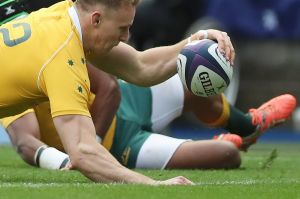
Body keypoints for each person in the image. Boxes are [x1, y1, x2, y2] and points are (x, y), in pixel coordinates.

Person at [0, 0, 235, 184]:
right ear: (97, 19)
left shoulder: (65, 18)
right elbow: (82, 152)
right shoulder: (62, 56)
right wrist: (153, 185)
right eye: (123, 28)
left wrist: (196, 40)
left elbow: (142, 66)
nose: (126, 37)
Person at [2, 63, 296, 171]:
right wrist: (73, 158)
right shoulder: (9, 73)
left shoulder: (47, 46)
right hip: (119, 145)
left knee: (193, 76)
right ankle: (226, 141)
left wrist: (90, 142)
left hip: (125, 101)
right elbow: (26, 140)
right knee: (227, 154)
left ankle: (248, 125)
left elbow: (110, 89)